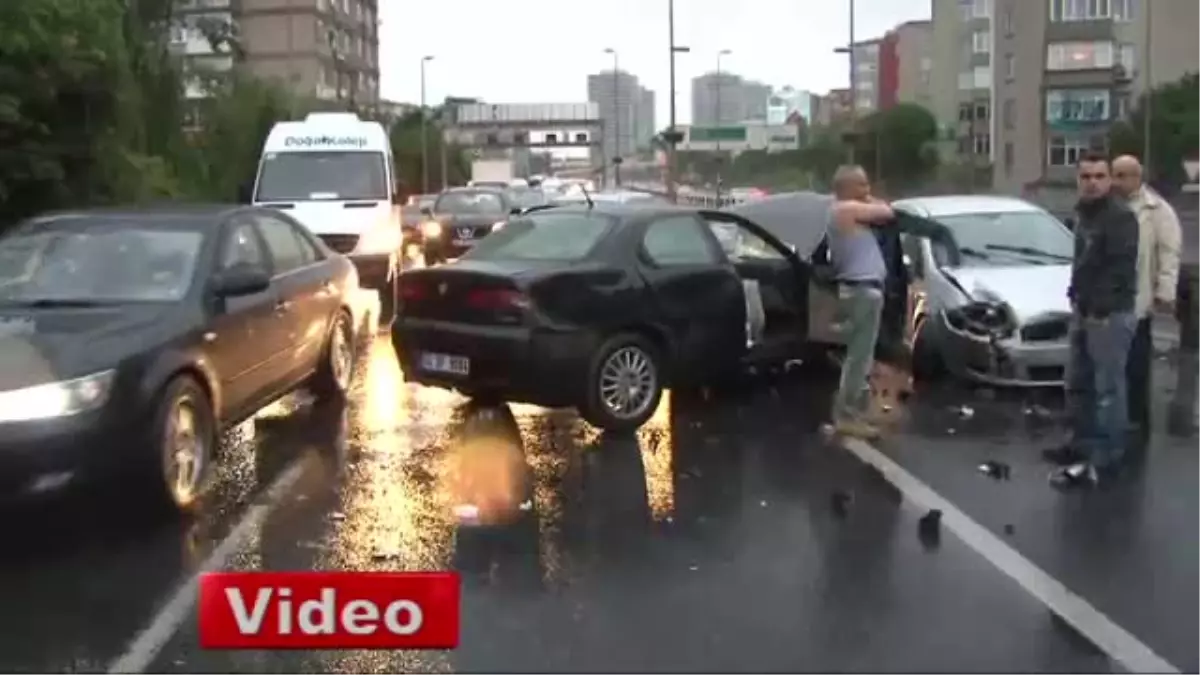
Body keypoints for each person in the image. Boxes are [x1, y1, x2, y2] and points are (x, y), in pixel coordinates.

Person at [1049, 152, 1140, 489]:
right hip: (1084, 309)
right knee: (1078, 382)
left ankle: (1107, 454)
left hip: (1110, 313)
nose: (1092, 182)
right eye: (1086, 176)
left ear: (1109, 180)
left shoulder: (1119, 217)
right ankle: (1078, 444)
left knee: (1109, 388)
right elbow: (1083, 263)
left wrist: (1100, 309)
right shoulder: (1084, 214)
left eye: (1099, 176)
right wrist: (1076, 297)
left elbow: (1119, 269)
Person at [1111, 154, 1182, 455]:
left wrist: (1165, 290)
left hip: (1138, 302)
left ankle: (1137, 424)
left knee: (1136, 366)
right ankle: (1112, 422)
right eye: (1115, 174)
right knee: (1108, 368)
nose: (1117, 181)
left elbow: (1169, 253)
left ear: (1138, 178)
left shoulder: (1157, 210)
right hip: (1108, 302)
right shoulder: (1107, 207)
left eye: (1124, 175)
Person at [826, 165, 895, 440]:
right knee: (858, 359)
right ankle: (846, 415)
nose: (868, 191)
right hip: (861, 291)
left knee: (860, 357)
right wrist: (869, 201)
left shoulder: (844, 212)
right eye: (862, 185)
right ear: (848, 188)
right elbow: (888, 212)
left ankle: (853, 409)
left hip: (863, 291)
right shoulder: (844, 210)